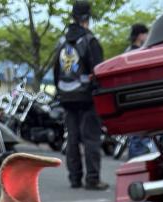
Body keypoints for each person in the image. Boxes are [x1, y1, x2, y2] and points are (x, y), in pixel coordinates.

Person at [53, 1, 107, 190]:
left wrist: (60, 93)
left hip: (66, 97)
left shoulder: (62, 42)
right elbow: (99, 70)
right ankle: (92, 179)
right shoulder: (89, 40)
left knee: (73, 138)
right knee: (91, 138)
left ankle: (74, 178)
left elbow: (55, 71)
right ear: (87, 18)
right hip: (86, 96)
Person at [125, 22, 152, 159]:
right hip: (139, 97)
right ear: (140, 35)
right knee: (139, 135)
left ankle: (134, 161)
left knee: (136, 134)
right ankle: (137, 162)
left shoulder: (127, 51)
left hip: (130, 98)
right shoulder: (137, 53)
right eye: (146, 33)